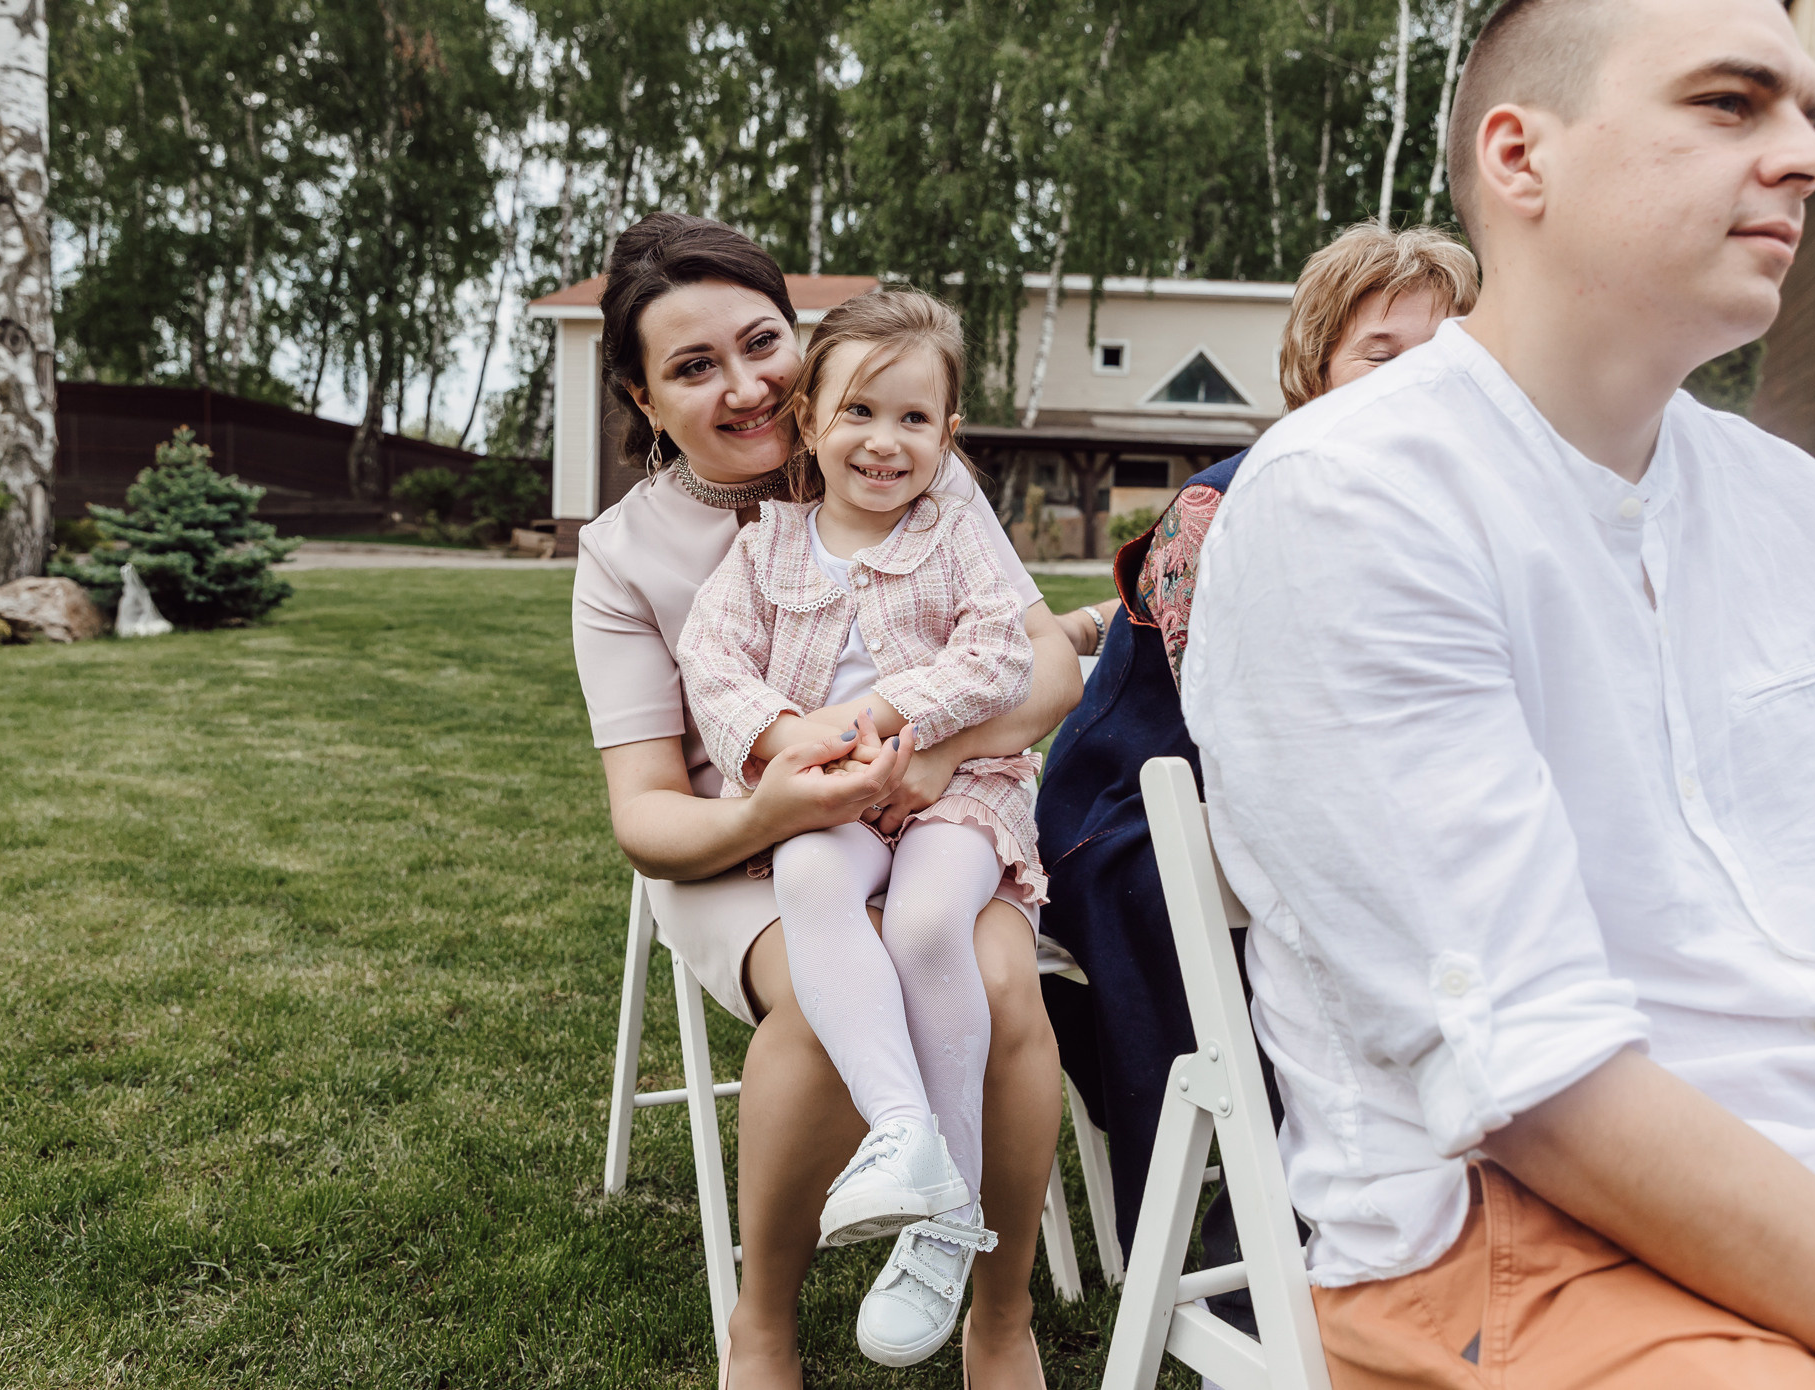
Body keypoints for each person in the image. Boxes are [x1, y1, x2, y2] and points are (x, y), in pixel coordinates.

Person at [1183, 2, 1815, 1386]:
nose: (1810, 155)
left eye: (1806, 111)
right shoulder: (1354, 501)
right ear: (1521, 158)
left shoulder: (1805, 515)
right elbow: (1537, 1086)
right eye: (1732, 104)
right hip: (1527, 1247)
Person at [574, 213, 1075, 1390]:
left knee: (998, 979)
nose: (745, 387)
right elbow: (647, 812)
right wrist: (770, 814)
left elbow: (1041, 662)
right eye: (694, 369)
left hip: (925, 803)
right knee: (817, 987)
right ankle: (764, 1317)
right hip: (735, 842)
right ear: (644, 401)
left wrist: (942, 755)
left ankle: (995, 1312)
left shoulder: (897, 453)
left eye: (761, 344)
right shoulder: (624, 553)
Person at [1037, 220, 1480, 1261]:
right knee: (1346, 923)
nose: (1412, 379)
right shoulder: (1224, 503)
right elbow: (1237, 719)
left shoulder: (1453, 510)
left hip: (1314, 804)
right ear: (1316, 366)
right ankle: (1249, 1230)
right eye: (1380, 351)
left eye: (1443, 353)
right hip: (1141, 803)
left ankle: (1376, 1195)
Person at [675, 289, 1047, 1367]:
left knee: (932, 922)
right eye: (859, 413)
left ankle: (945, 1227)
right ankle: (906, 1133)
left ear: (948, 435)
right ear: (809, 423)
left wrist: (891, 717)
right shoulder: (766, 548)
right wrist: (794, 744)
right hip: (831, 792)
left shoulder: (953, 534)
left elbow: (1001, 656)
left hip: (955, 785)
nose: (885, 443)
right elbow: (715, 666)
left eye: (915, 420)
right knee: (809, 878)